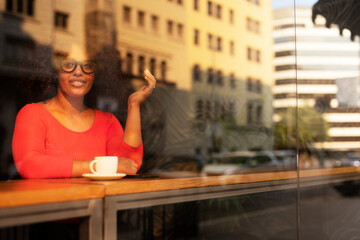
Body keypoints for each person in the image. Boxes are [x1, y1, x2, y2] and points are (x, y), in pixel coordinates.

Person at [12, 51, 156, 179]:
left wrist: (134, 104)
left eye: (86, 66)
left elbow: (129, 165)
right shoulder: (33, 113)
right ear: (56, 71)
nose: (78, 72)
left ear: (93, 75)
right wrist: (96, 166)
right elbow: (29, 165)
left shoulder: (107, 121)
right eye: (69, 65)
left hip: (96, 208)